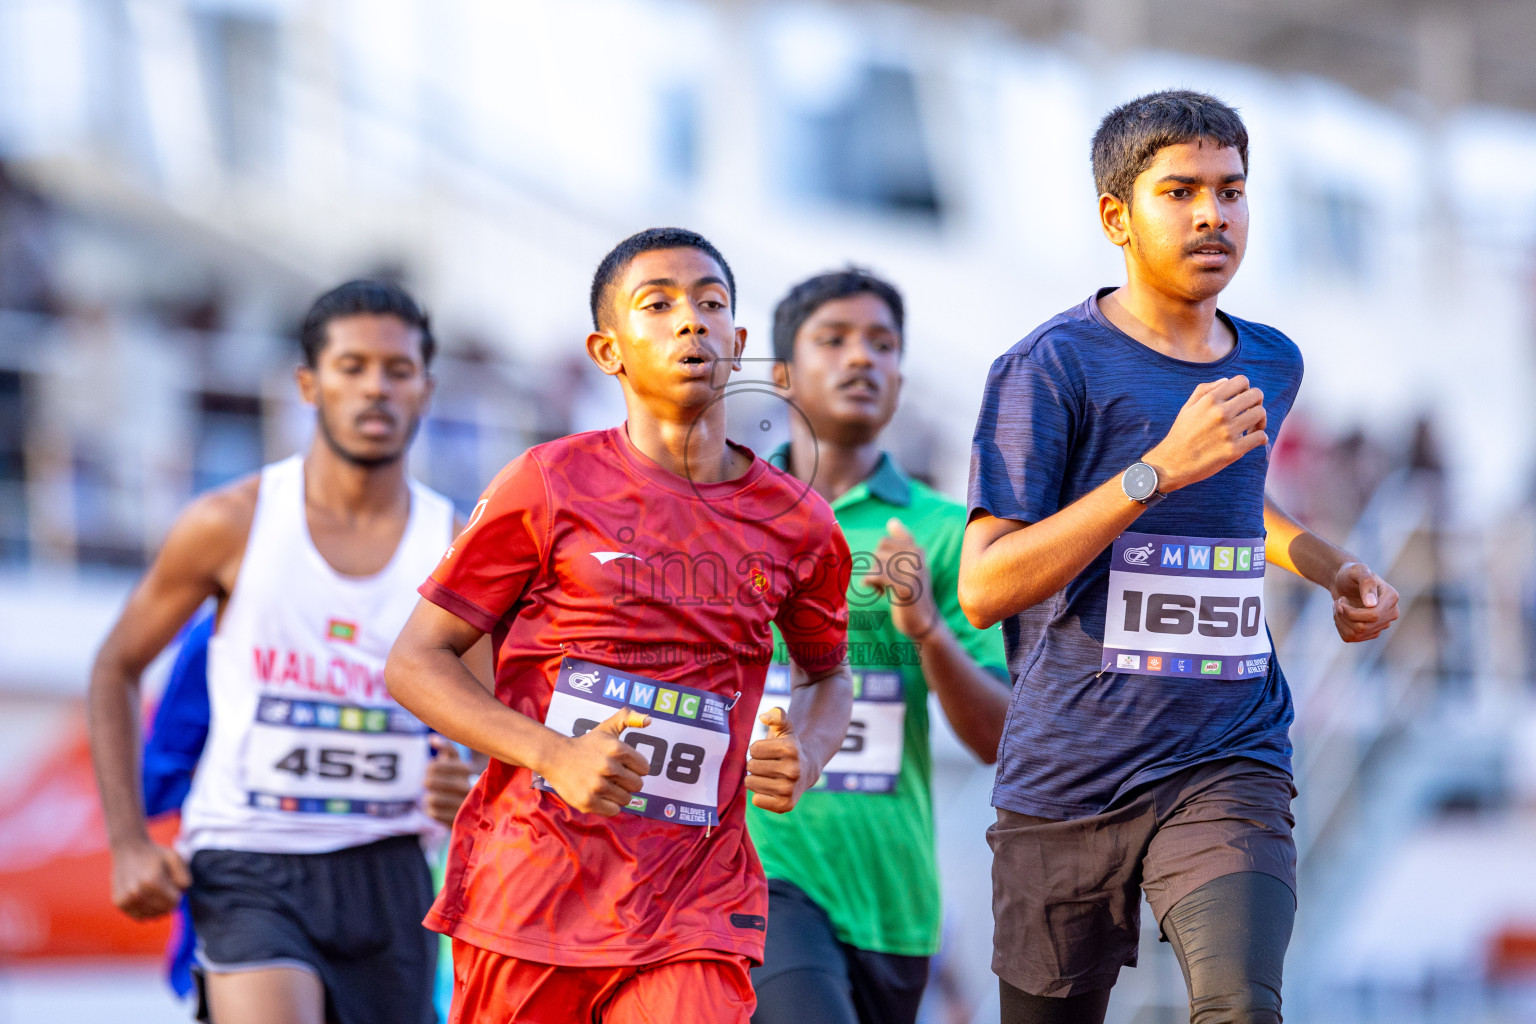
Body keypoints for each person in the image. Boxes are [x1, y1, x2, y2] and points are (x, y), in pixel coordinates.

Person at [959, 90, 1401, 1024]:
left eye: (1233, 190)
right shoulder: (1048, 367)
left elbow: (1238, 504)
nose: (1213, 214)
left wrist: (1329, 565)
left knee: (1240, 1004)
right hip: (1068, 777)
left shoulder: (1272, 361)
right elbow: (986, 585)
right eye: (1181, 191)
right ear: (1117, 216)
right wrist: (1154, 471)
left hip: (1228, 752)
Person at [384, 227, 857, 1024]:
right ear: (608, 350)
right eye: (659, 304)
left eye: (711, 305)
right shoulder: (546, 484)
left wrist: (805, 751)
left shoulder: (799, 521)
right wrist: (552, 754)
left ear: (737, 342)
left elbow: (827, 674)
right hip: (530, 893)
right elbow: (415, 661)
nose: (691, 322)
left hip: (694, 905)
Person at [88, 279, 478, 1024]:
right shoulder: (229, 523)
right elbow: (115, 663)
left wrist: (472, 781)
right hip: (248, 857)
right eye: (352, 366)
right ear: (308, 383)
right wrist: (128, 842)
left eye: (397, 371)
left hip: (393, 867)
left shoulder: (456, 545)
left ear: (426, 389)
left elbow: (497, 716)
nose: (376, 389)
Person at [746, 268, 1011, 1024]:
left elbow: (996, 737)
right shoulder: (725, 522)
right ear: (785, 375)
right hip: (759, 874)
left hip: (894, 903)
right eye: (834, 340)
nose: (862, 358)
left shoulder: (948, 533)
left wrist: (925, 627)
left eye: (883, 344)